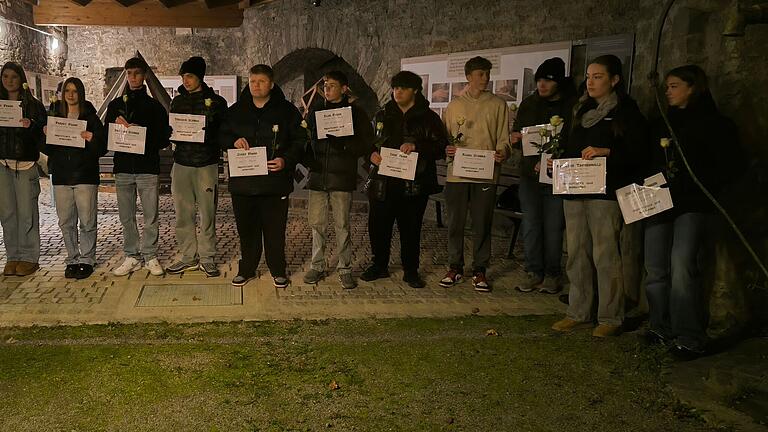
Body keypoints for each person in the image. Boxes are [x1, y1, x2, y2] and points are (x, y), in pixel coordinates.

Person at [551, 54, 650, 337]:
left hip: (605, 194)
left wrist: (608, 153)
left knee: (606, 254)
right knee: (576, 253)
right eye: (589, 76)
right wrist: (558, 162)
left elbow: (639, 152)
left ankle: (610, 316)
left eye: (598, 77)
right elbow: (571, 147)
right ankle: (579, 311)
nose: (591, 82)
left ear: (615, 80)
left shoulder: (626, 113)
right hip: (576, 191)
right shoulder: (580, 111)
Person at [644, 65, 737, 359]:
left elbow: (730, 166)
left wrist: (698, 181)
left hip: (693, 204)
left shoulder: (715, 124)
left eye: (674, 86)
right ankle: (660, 324)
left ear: (692, 87)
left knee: (683, 265)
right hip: (660, 203)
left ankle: (689, 335)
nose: (668, 91)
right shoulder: (661, 124)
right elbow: (647, 158)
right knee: (656, 267)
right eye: (667, 86)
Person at [219, 64, 305, 288]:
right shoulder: (236, 110)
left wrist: (285, 159)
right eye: (253, 81)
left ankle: (278, 269)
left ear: (272, 84)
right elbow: (221, 134)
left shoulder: (287, 111)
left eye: (261, 81)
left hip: (274, 183)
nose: (256, 85)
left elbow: (299, 140)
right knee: (247, 230)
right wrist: (232, 141)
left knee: (275, 231)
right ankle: (247, 269)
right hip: (243, 184)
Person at [360, 71, 448, 288]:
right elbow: (368, 143)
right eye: (395, 88)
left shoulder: (428, 118)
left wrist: (417, 146)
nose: (397, 92)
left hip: (414, 184)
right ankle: (379, 265)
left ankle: (411, 270)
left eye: (403, 88)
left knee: (411, 228)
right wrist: (370, 154)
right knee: (379, 226)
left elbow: (440, 147)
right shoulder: (382, 115)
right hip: (384, 183)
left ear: (415, 90)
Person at [441, 56, 511, 292]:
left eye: (487, 74)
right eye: (480, 74)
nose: (485, 78)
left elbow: (504, 139)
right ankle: (455, 267)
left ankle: (480, 269)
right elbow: (446, 139)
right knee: (455, 224)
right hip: (457, 175)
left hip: (485, 174)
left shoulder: (499, 105)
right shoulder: (453, 106)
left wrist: (503, 151)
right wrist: (447, 148)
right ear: (469, 77)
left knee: (482, 223)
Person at [303, 71, 374, 289]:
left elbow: (365, 144)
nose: (327, 89)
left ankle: (344, 268)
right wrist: (308, 156)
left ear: (344, 89)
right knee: (317, 224)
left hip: (341, 176)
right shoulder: (316, 111)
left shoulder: (356, 113)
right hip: (318, 176)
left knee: (342, 224)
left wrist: (344, 144)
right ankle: (317, 265)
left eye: (332, 85)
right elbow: (306, 139)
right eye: (325, 85)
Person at [513, 57, 576, 294]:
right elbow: (520, 133)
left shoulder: (571, 107)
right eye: (539, 80)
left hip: (556, 177)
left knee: (553, 225)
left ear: (558, 82)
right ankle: (533, 271)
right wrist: (516, 139)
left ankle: (552, 274)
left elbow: (572, 139)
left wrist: (555, 161)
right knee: (531, 224)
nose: (542, 85)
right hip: (530, 175)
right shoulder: (529, 104)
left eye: (547, 80)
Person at [105, 56, 171, 277]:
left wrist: (138, 132)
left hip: (147, 168)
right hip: (123, 168)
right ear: (126, 75)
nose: (133, 77)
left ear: (144, 75)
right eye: (129, 73)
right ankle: (132, 254)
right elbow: (107, 136)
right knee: (127, 216)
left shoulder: (155, 107)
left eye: (137, 73)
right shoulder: (115, 106)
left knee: (151, 215)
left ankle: (150, 254)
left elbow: (163, 139)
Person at [165, 56, 228, 277]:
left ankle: (208, 257)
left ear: (200, 77)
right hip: (182, 163)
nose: (186, 80)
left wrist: (209, 135)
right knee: (183, 213)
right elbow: (171, 129)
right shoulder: (177, 102)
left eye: (190, 76)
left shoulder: (217, 102)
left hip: (206, 164)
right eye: (183, 76)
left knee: (208, 212)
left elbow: (223, 132)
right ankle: (188, 256)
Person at [43, 77, 107, 279]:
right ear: (62, 94)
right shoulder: (55, 115)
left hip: (84, 175)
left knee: (87, 220)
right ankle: (72, 258)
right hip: (62, 176)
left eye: (75, 91)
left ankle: (87, 259)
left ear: (81, 94)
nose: (71, 95)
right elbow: (47, 148)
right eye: (67, 91)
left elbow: (102, 146)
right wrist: (45, 134)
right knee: (66, 221)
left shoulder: (90, 117)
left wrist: (91, 138)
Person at [0, 62, 46, 276]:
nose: (9, 81)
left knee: (27, 212)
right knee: (7, 212)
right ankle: (13, 255)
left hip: (25, 164)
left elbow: (43, 135)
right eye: (5, 76)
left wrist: (32, 126)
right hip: (3, 165)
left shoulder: (33, 105)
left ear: (21, 79)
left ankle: (29, 256)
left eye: (14, 77)